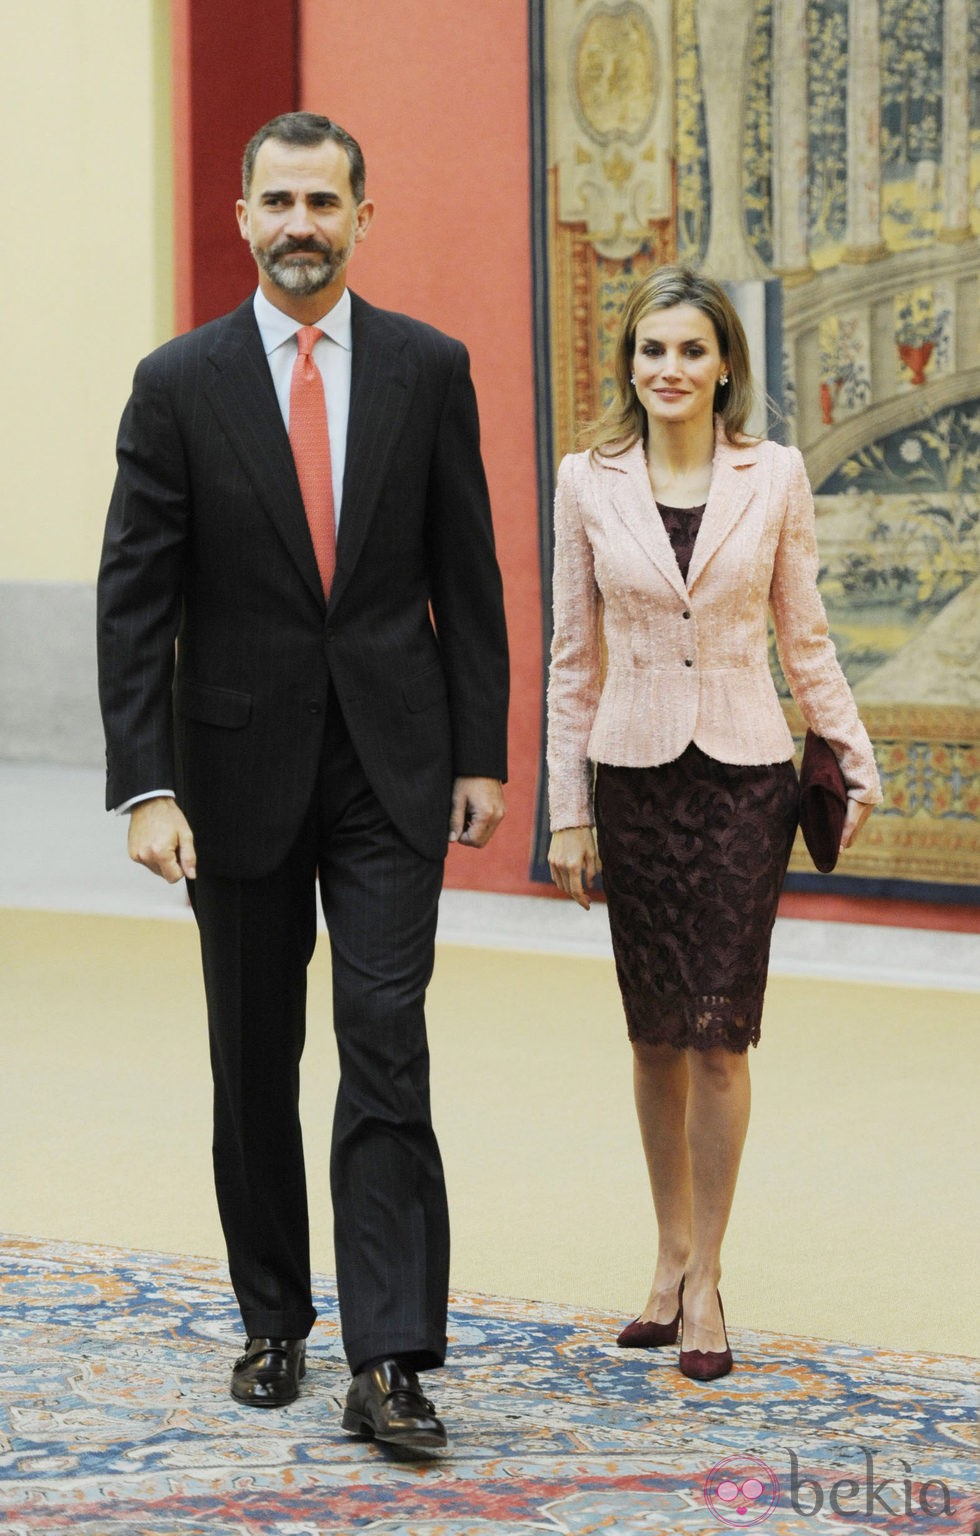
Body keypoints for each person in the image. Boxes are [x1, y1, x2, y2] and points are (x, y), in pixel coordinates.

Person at [97, 111, 509, 1448]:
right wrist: (146, 784)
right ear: (243, 216)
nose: (300, 225)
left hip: (393, 765)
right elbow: (133, 598)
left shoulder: (429, 369)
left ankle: (392, 1357)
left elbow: (470, 576)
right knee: (253, 1055)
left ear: (362, 217)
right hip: (231, 771)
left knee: (387, 1042)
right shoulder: (179, 382)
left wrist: (486, 753)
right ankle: (274, 1315)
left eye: (324, 202)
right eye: (278, 201)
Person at [546, 266, 880, 1382]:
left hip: (742, 776)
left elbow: (806, 634)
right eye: (651, 351)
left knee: (720, 1031)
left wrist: (853, 753)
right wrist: (565, 816)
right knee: (651, 1032)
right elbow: (570, 660)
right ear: (629, 364)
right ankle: (666, 1254)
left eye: (690, 351)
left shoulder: (773, 474)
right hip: (631, 777)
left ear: (723, 363)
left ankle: (707, 1280)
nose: (669, 370)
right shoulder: (583, 481)